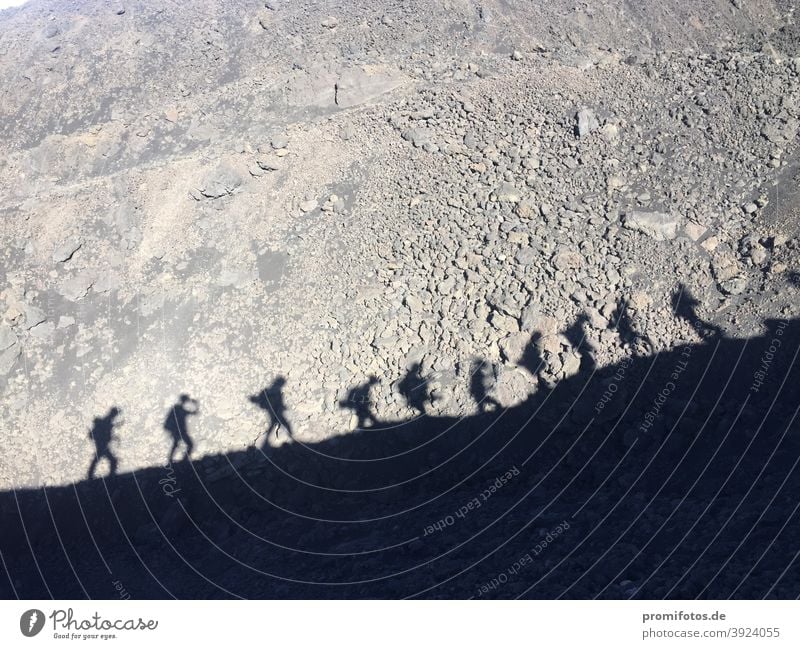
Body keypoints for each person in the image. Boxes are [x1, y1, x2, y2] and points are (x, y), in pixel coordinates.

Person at [249, 377, 294, 444]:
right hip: (275, 411)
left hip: (276, 410)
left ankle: (287, 434)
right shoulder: (275, 392)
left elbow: (262, 403)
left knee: (279, 422)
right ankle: (288, 434)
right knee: (280, 422)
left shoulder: (275, 392)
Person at [88, 407, 121, 478]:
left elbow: (107, 431)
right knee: (112, 460)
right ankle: (111, 476)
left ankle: (90, 475)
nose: (115, 416)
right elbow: (105, 431)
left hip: (102, 444)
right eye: (115, 414)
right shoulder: (107, 420)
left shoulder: (108, 420)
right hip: (102, 445)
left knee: (98, 459)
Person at [164, 394, 199, 463]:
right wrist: (195, 404)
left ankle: (179, 460)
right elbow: (194, 412)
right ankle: (181, 460)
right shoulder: (178, 409)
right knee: (188, 444)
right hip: (178, 431)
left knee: (178, 444)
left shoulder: (179, 409)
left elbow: (195, 413)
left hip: (180, 431)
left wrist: (196, 405)